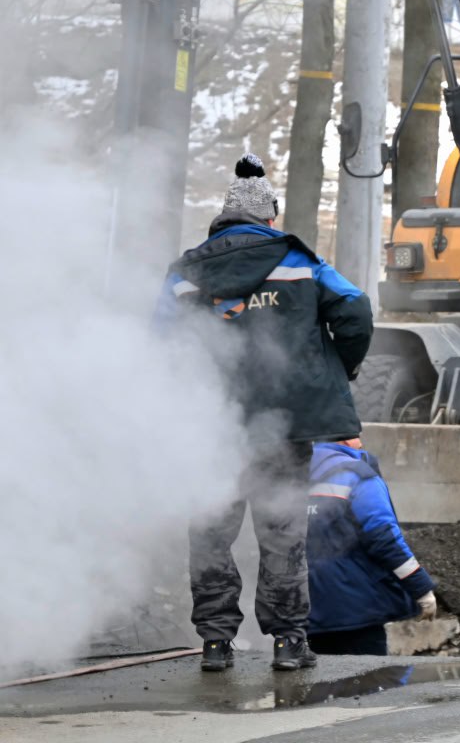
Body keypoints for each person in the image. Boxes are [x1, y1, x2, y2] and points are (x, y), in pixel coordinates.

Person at [157, 153, 374, 672]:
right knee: (281, 533)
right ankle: (288, 642)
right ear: (269, 219)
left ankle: (214, 643)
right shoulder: (298, 262)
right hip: (286, 423)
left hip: (212, 430)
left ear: (220, 222)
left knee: (210, 533)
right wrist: (338, 368)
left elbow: (158, 342)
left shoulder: (185, 273)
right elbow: (356, 308)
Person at [306, 439, 437, 655]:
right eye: (358, 435)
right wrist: (421, 587)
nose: (362, 442)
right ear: (346, 438)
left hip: (308, 611)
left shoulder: (290, 476)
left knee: (316, 683)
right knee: (370, 682)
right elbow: (383, 538)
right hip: (357, 610)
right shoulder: (357, 476)